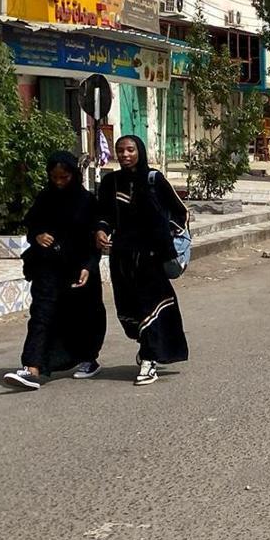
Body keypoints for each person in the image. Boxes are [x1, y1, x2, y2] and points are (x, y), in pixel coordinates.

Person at [3, 152, 107, 390]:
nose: (59, 182)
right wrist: (38, 235)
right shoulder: (45, 198)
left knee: (83, 316)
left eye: (64, 177)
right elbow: (32, 225)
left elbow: (94, 240)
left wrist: (88, 266)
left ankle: (88, 358)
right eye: (54, 177)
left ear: (74, 175)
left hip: (77, 269)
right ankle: (32, 368)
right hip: (47, 267)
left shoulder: (87, 201)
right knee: (41, 314)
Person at [95, 135, 188, 386]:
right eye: (120, 151)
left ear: (140, 151)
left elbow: (179, 213)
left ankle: (149, 359)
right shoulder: (111, 182)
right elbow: (103, 214)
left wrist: (165, 240)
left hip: (151, 257)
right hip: (122, 258)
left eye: (130, 150)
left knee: (151, 305)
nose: (125, 155)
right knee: (129, 308)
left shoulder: (153, 179)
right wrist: (101, 230)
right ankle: (148, 346)